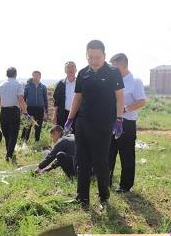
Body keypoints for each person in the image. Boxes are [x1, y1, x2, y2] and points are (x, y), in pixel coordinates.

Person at [63, 40, 125, 209]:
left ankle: (104, 198)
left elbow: (120, 97)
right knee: (81, 161)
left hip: (104, 125)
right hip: (83, 124)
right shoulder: (83, 73)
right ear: (86, 56)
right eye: (90, 57)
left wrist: (119, 119)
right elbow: (78, 97)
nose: (94, 60)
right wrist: (70, 119)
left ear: (104, 56)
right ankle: (82, 198)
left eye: (97, 57)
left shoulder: (113, 73)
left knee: (100, 162)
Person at [108, 53, 146, 193]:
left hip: (127, 123)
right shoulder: (113, 81)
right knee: (109, 153)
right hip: (112, 122)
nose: (113, 70)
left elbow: (142, 101)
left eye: (115, 67)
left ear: (123, 65)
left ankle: (125, 186)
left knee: (126, 155)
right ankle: (107, 182)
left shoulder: (135, 81)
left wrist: (125, 109)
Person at [0, 67, 28, 163]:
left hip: (4, 112)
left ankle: (9, 152)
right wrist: (25, 112)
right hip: (14, 111)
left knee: (6, 133)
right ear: (16, 74)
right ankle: (9, 154)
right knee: (13, 134)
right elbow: (21, 99)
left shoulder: (1, 85)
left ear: (7, 74)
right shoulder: (19, 84)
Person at [21, 70, 48, 142]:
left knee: (38, 126)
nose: (36, 77)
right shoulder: (27, 86)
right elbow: (23, 98)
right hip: (29, 109)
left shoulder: (43, 87)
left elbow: (45, 99)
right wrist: (22, 110)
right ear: (32, 76)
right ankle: (23, 141)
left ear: (40, 77)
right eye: (34, 76)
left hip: (40, 109)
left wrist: (46, 112)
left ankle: (37, 141)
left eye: (37, 76)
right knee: (27, 126)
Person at [52, 61, 77, 129]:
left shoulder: (80, 83)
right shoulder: (61, 84)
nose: (70, 69)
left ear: (76, 70)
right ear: (65, 70)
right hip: (63, 114)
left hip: (77, 115)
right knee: (62, 135)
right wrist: (54, 115)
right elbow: (56, 101)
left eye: (72, 67)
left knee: (75, 135)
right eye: (68, 67)